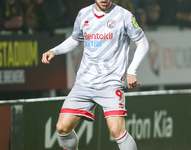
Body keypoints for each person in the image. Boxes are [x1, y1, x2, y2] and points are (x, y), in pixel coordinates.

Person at [42, 0, 149, 149]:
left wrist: (132, 71)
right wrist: (54, 50)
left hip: (110, 83)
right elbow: (75, 39)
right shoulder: (83, 14)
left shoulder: (124, 16)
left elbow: (143, 43)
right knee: (62, 128)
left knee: (116, 130)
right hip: (84, 82)